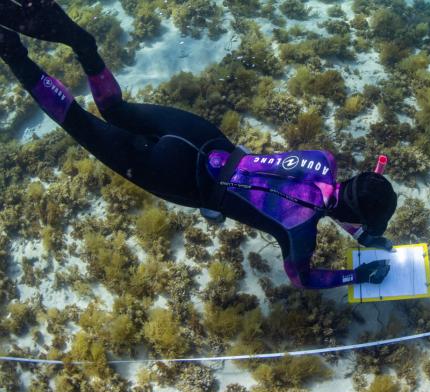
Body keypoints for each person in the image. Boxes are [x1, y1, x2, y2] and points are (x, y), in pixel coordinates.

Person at [0, 0, 398, 289]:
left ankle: (83, 47)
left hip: (203, 138)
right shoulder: (300, 232)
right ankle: (14, 54)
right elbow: (304, 278)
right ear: (358, 216)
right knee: (79, 122)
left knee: (113, 108)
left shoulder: (324, 161)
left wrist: (362, 232)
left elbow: (328, 197)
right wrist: (355, 274)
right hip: (182, 177)